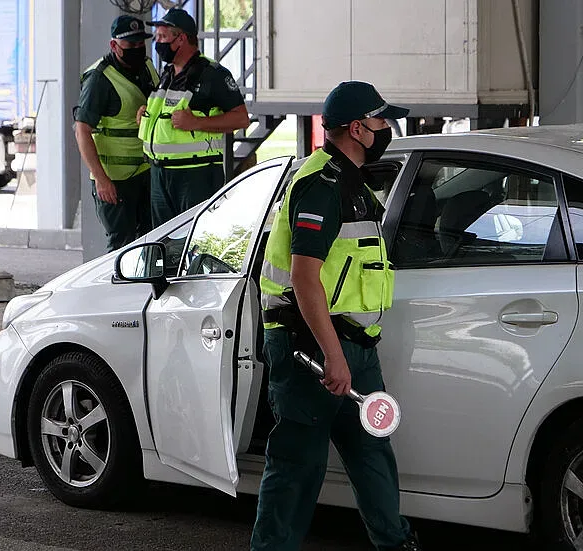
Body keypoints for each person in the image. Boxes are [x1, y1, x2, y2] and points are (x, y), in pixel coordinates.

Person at [251, 81, 422, 551]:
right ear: (357, 129)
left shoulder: (354, 184)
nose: (386, 128)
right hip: (311, 348)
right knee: (296, 467)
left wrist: (348, 354)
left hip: (354, 346)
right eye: (381, 120)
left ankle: (396, 544)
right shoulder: (321, 185)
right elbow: (305, 279)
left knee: (373, 456)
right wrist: (333, 356)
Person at [139, 8, 250, 227]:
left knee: (195, 237)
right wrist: (146, 117)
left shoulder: (213, 74)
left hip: (196, 175)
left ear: (181, 39)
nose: (157, 43)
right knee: (164, 240)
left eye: (162, 37)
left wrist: (196, 123)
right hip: (160, 173)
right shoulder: (168, 74)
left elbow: (241, 119)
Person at [73, 15, 158, 252]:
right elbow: (82, 130)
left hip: (146, 172)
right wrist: (101, 179)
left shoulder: (147, 67)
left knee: (152, 241)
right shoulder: (99, 78)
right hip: (115, 180)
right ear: (114, 45)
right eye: (131, 44)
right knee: (122, 246)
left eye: (140, 43)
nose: (137, 49)